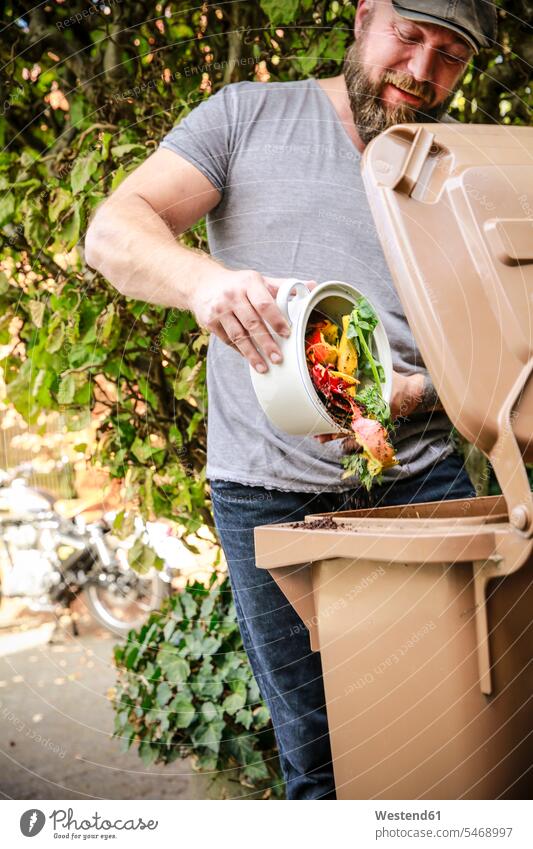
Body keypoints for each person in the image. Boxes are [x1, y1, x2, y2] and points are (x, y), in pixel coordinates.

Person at [85, 0, 497, 799]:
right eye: (407, 37)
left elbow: (500, 342)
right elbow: (113, 230)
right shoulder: (247, 115)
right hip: (262, 498)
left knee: (460, 727)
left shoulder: (460, 167)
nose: (420, 71)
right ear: (364, 14)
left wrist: (423, 395)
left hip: (422, 482)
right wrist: (206, 285)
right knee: (317, 750)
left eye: (449, 56)